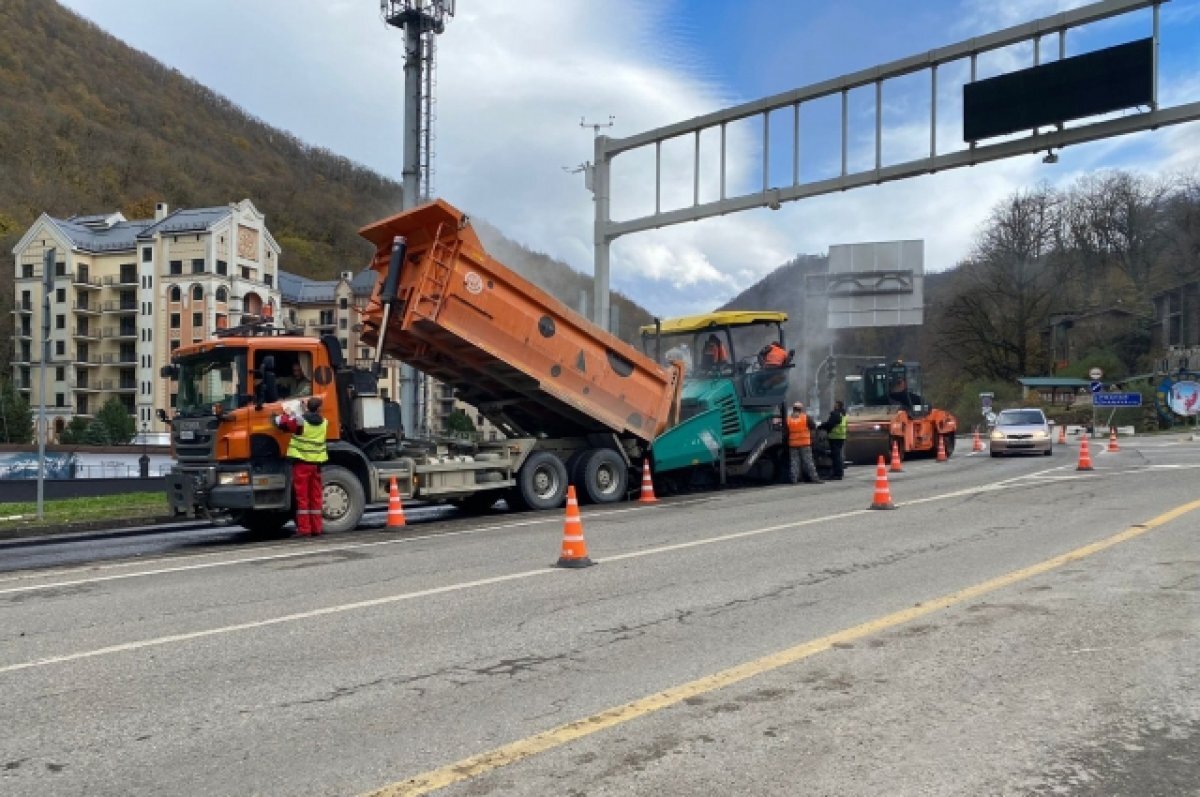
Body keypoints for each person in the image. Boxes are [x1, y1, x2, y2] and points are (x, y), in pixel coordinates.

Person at [274, 396, 328, 536]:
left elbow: (282, 423)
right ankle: (317, 528)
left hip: (301, 465)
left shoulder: (300, 422)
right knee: (316, 497)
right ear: (320, 409)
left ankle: (305, 530)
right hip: (316, 465)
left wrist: (287, 412)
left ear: (307, 407)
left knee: (302, 498)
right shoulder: (324, 423)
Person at [785, 401, 823, 484]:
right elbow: (813, 426)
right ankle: (815, 478)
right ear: (801, 409)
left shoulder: (788, 419)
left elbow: (786, 432)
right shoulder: (806, 417)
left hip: (793, 443)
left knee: (794, 462)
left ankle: (794, 479)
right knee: (808, 461)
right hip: (804, 443)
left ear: (793, 409)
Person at [819, 399, 848, 480]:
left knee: (836, 456)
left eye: (835, 404)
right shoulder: (843, 414)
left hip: (834, 437)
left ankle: (837, 474)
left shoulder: (835, 414)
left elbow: (830, 424)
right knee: (838, 455)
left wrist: (821, 426)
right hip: (841, 436)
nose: (834, 405)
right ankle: (839, 472)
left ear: (837, 405)